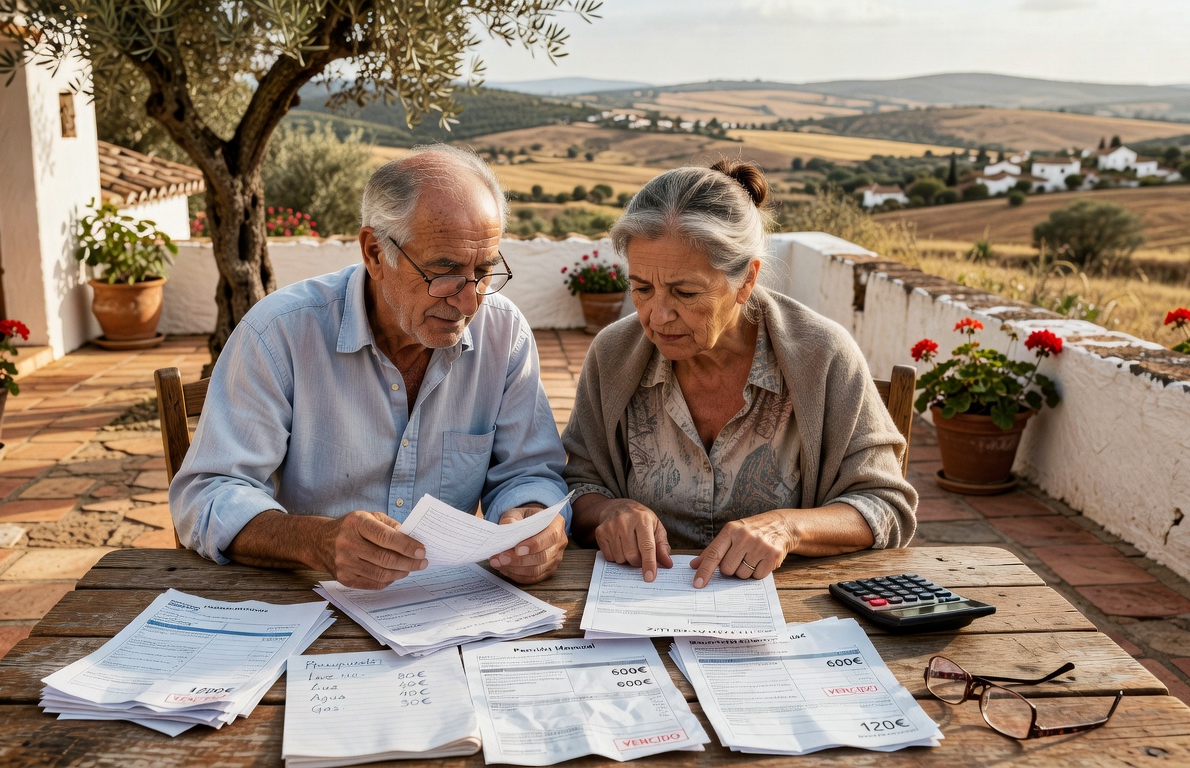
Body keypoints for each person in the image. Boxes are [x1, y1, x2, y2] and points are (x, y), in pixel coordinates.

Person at [171, 145, 570, 588]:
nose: (470, 299)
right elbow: (207, 495)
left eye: (484, 270)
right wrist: (317, 541)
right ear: (375, 252)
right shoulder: (280, 332)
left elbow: (530, 473)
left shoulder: (504, 333)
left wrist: (532, 521)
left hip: (445, 610)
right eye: (445, 271)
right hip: (309, 599)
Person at [562, 160, 917, 589]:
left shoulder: (823, 355)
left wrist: (788, 528)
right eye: (641, 288)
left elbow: (885, 505)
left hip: (789, 612)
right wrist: (608, 512)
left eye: (685, 292)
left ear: (746, 279)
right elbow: (578, 486)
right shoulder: (613, 355)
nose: (657, 315)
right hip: (639, 608)